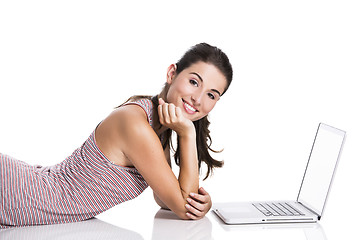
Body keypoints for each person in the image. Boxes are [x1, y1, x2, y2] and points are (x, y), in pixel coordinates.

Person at [0, 42, 233, 228]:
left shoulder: (156, 123)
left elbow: (166, 199)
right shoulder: (136, 124)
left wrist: (201, 204)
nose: (198, 99)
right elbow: (184, 208)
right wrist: (187, 134)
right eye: (194, 82)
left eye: (211, 95)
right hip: (17, 191)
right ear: (172, 73)